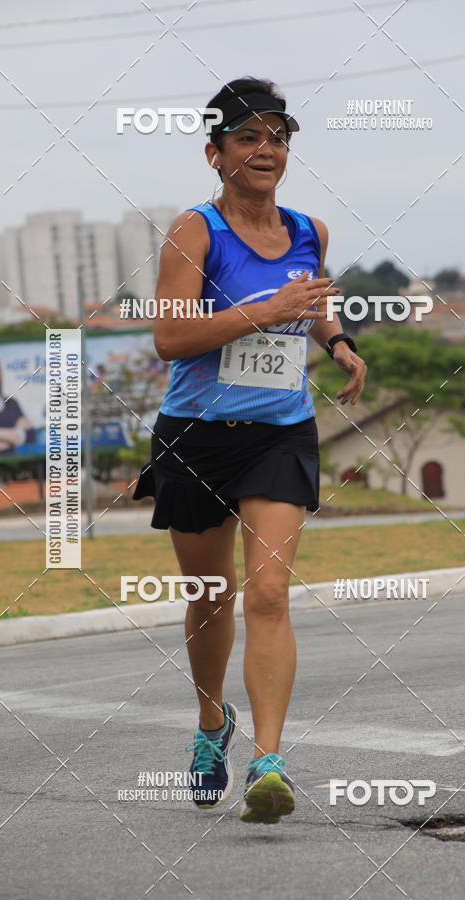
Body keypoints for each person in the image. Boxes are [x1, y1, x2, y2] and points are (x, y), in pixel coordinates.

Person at [133, 76, 367, 824]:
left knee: (268, 592)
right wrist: (261, 310)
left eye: (278, 137)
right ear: (216, 152)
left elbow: (312, 296)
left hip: (280, 431)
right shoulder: (193, 232)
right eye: (248, 138)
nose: (267, 150)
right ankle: (212, 727)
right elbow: (170, 337)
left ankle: (269, 762)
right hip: (197, 436)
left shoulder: (309, 229)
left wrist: (337, 342)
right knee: (212, 600)